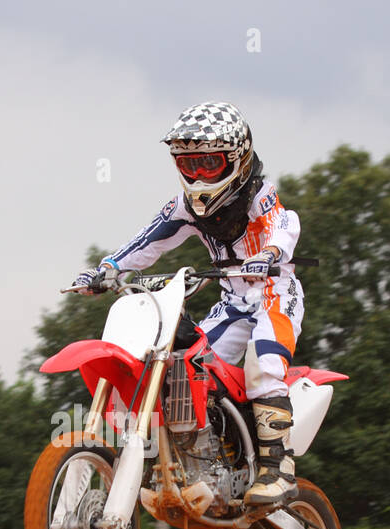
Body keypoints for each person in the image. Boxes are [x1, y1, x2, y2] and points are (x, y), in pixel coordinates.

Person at [68, 101, 303, 508]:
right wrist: (106, 268)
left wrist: (270, 253)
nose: (197, 175)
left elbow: (286, 223)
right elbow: (148, 241)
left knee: (263, 365)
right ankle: (203, 453)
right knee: (189, 362)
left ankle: (277, 470)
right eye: (188, 163)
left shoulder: (258, 197)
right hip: (232, 302)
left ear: (238, 159)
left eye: (209, 163)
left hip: (274, 294)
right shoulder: (185, 207)